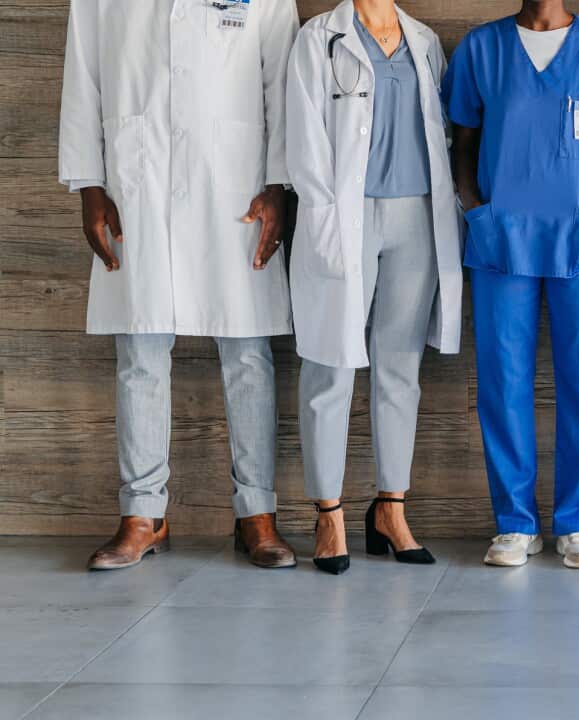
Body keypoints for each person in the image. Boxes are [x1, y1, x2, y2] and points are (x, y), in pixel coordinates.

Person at [59, 0, 299, 571]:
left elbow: (282, 80)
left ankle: (256, 514)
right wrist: (89, 185)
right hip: (136, 179)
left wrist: (279, 185)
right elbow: (84, 70)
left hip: (234, 183)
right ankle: (143, 513)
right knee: (139, 348)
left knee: (247, 349)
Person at [444, 0, 579, 569]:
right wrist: (475, 210)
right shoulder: (482, 49)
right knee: (502, 381)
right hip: (501, 240)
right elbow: (460, 145)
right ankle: (514, 524)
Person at [287, 0, 464, 575]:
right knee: (331, 364)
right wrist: (321, 216)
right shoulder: (321, 38)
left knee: (400, 365)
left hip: (417, 214)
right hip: (345, 214)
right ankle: (329, 513)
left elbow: (441, 130)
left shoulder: (425, 41)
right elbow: (304, 137)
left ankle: (391, 507)